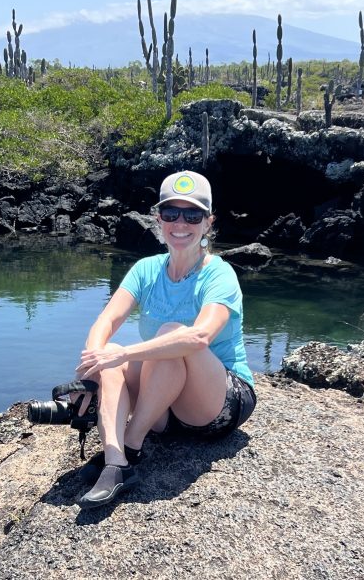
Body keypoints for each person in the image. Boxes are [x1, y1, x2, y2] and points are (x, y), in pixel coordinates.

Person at [73, 170, 256, 509]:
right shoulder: (146, 269)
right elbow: (108, 319)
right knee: (108, 351)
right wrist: (88, 373)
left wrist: (122, 354)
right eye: (171, 213)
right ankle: (116, 462)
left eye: (193, 214)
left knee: (173, 335)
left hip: (217, 403)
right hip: (165, 404)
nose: (180, 223)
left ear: (208, 222)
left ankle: (130, 443)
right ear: (158, 218)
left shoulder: (219, 273)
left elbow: (199, 337)